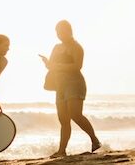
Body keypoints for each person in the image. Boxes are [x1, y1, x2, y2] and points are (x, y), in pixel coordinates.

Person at [40, 20, 100, 157]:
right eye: (57, 32)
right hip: (60, 85)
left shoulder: (77, 47)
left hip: (74, 83)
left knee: (75, 114)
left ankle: (94, 140)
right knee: (63, 119)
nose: (59, 35)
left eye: (61, 32)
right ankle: (62, 151)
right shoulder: (56, 47)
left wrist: (58, 66)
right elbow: (51, 66)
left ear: (69, 31)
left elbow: (77, 66)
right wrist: (47, 63)